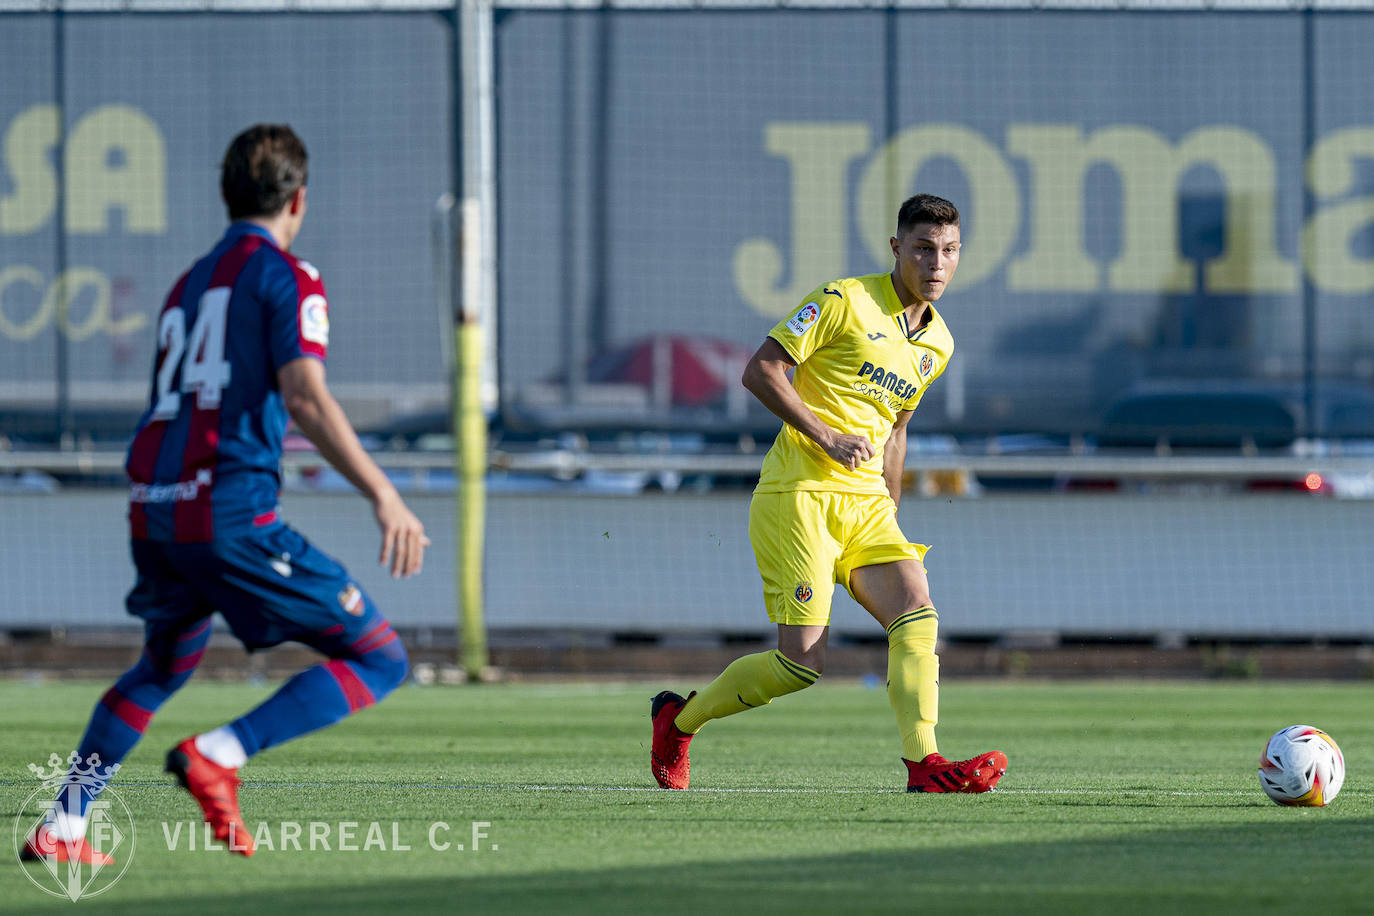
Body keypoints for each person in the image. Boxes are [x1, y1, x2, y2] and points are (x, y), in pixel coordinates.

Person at [22, 124, 429, 863]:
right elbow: (304, 396)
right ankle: (220, 752)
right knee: (379, 657)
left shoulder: (188, 283)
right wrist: (383, 493)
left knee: (160, 667)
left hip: (155, 508)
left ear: (225, 194)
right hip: (229, 513)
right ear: (299, 200)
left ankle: (65, 824)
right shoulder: (288, 277)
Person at [650, 194, 1007, 793]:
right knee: (800, 665)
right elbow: (761, 369)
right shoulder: (844, 300)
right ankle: (678, 722)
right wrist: (823, 433)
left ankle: (926, 766)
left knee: (917, 611)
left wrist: (889, 510)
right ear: (897, 249)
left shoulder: (938, 342)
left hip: (866, 506)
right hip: (800, 494)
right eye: (922, 249)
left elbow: (896, 431)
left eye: (948, 252)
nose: (935, 264)